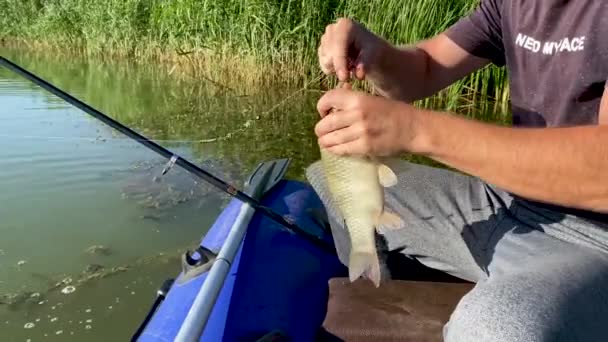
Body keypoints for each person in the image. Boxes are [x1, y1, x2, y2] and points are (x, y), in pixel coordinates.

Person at [304, 1, 608, 341]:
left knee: (492, 328)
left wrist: (412, 130)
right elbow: (425, 69)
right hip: (509, 203)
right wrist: (374, 56)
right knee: (327, 180)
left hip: (596, 239)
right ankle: (377, 291)